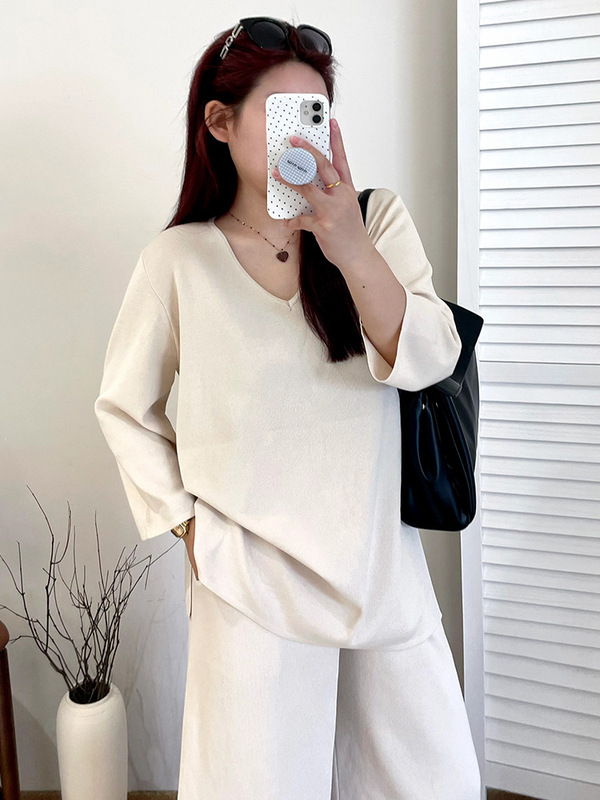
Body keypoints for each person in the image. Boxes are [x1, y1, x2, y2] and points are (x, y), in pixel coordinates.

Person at [94, 15, 482, 800]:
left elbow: (433, 357)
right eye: (282, 115)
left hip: (382, 572)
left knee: (428, 781)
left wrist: (347, 243)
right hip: (250, 580)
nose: (302, 135)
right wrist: (189, 527)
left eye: (315, 113)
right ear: (219, 122)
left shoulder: (375, 222)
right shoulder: (178, 261)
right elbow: (125, 407)